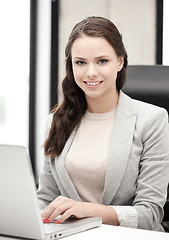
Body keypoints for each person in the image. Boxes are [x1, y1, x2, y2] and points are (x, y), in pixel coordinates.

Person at [37, 16, 169, 231]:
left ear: (120, 61)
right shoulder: (56, 121)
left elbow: (150, 214)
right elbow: (46, 199)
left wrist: (87, 210)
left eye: (102, 61)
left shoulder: (152, 119)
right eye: (80, 62)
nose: (90, 72)